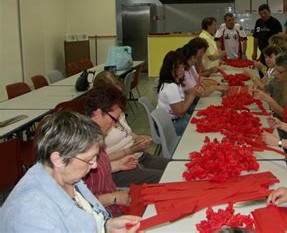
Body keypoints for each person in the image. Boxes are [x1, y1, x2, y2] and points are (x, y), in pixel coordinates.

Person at [0, 111, 141, 232]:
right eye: (89, 159)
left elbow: (87, 215)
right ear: (58, 159)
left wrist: (107, 226)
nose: (94, 165)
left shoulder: (65, 176)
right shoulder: (31, 215)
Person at [83, 86, 158, 217]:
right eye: (114, 119)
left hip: (113, 201)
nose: (115, 124)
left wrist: (118, 165)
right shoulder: (80, 146)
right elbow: (77, 202)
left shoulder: (95, 136)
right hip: (101, 214)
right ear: (97, 113)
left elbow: (97, 171)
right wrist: (113, 198)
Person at [92, 71, 169, 187]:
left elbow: (127, 132)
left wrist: (138, 138)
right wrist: (131, 150)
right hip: (119, 170)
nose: (120, 98)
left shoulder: (116, 109)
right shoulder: (97, 124)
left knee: (175, 167)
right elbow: (100, 162)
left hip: (138, 156)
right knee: (168, 177)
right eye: (115, 94)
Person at [157, 50, 203, 136]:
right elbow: (180, 113)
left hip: (173, 120)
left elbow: (181, 103)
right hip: (170, 125)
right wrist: (192, 95)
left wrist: (192, 93)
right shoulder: (171, 87)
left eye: (183, 67)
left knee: (200, 119)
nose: (182, 70)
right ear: (170, 68)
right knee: (198, 129)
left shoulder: (174, 81)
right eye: (178, 67)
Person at [253, 51, 287, 121]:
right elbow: (267, 89)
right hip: (274, 117)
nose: (275, 74)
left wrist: (269, 99)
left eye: (279, 71)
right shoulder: (277, 80)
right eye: (275, 70)